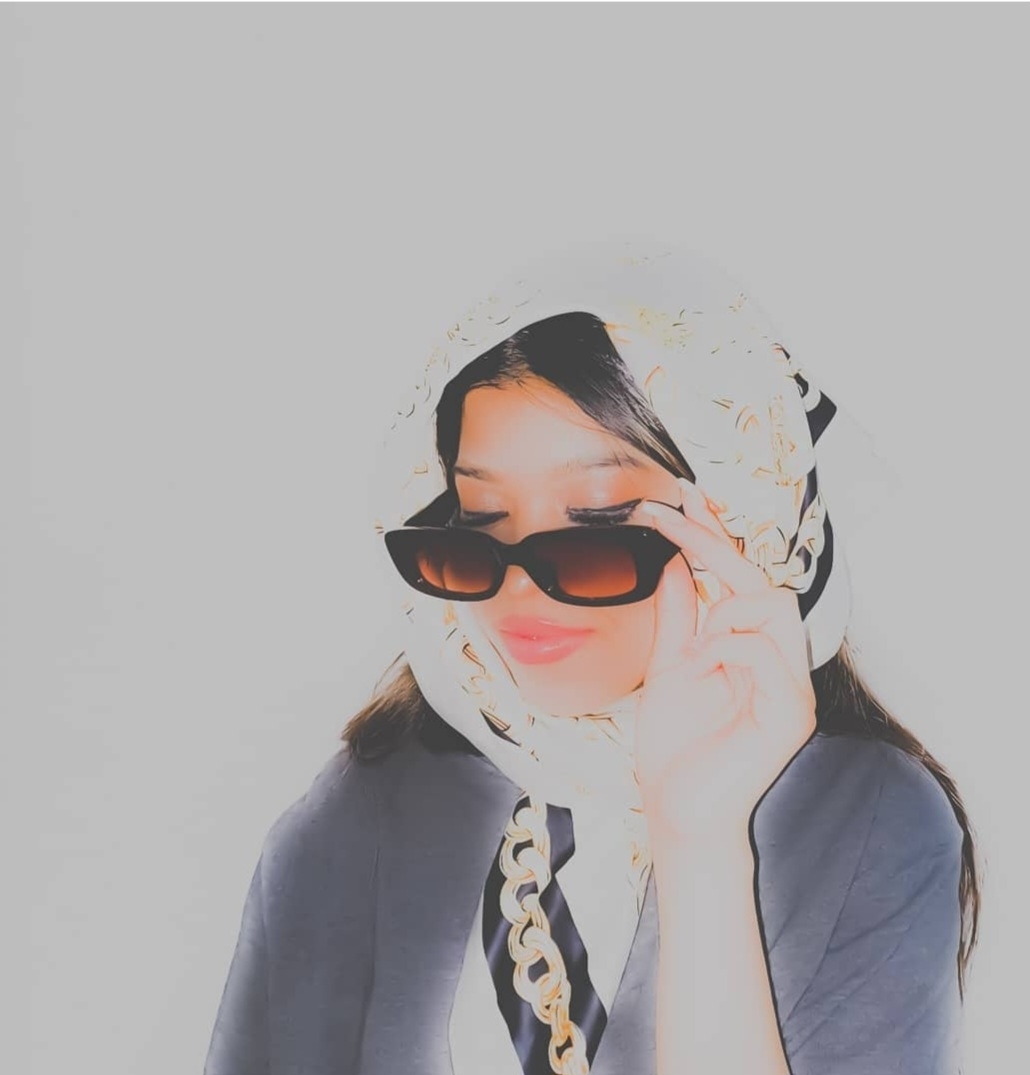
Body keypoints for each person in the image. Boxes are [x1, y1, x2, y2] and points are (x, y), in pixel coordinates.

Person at [203, 245, 980, 1075]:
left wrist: (701, 845)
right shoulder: (370, 804)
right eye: (478, 522)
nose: (517, 588)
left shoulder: (867, 820)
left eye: (599, 527)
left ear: (744, 515)